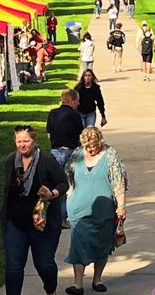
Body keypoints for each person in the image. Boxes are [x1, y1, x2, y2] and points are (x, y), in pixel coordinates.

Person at [0, 125, 68, 295]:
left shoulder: (46, 160)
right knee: (14, 266)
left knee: (44, 264)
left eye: (26, 141)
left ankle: (50, 289)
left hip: (42, 223)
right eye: (19, 141)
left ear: (34, 141)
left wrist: (52, 193)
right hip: (15, 223)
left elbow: (63, 183)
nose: (22, 145)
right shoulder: (11, 161)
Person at [64, 127, 127, 295]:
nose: (90, 149)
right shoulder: (77, 153)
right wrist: (70, 192)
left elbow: (118, 182)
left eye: (93, 146)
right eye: (87, 146)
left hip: (104, 211)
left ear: (100, 141)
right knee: (78, 245)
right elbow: (69, 174)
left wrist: (121, 205)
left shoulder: (111, 155)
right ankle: (78, 284)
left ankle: (97, 280)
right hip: (78, 209)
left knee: (102, 245)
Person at [47, 89, 85, 228]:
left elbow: (49, 134)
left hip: (55, 152)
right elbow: (81, 135)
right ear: (71, 101)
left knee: (56, 184)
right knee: (69, 185)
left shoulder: (52, 114)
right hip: (70, 152)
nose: (78, 103)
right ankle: (63, 217)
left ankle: (54, 216)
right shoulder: (75, 115)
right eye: (77, 101)